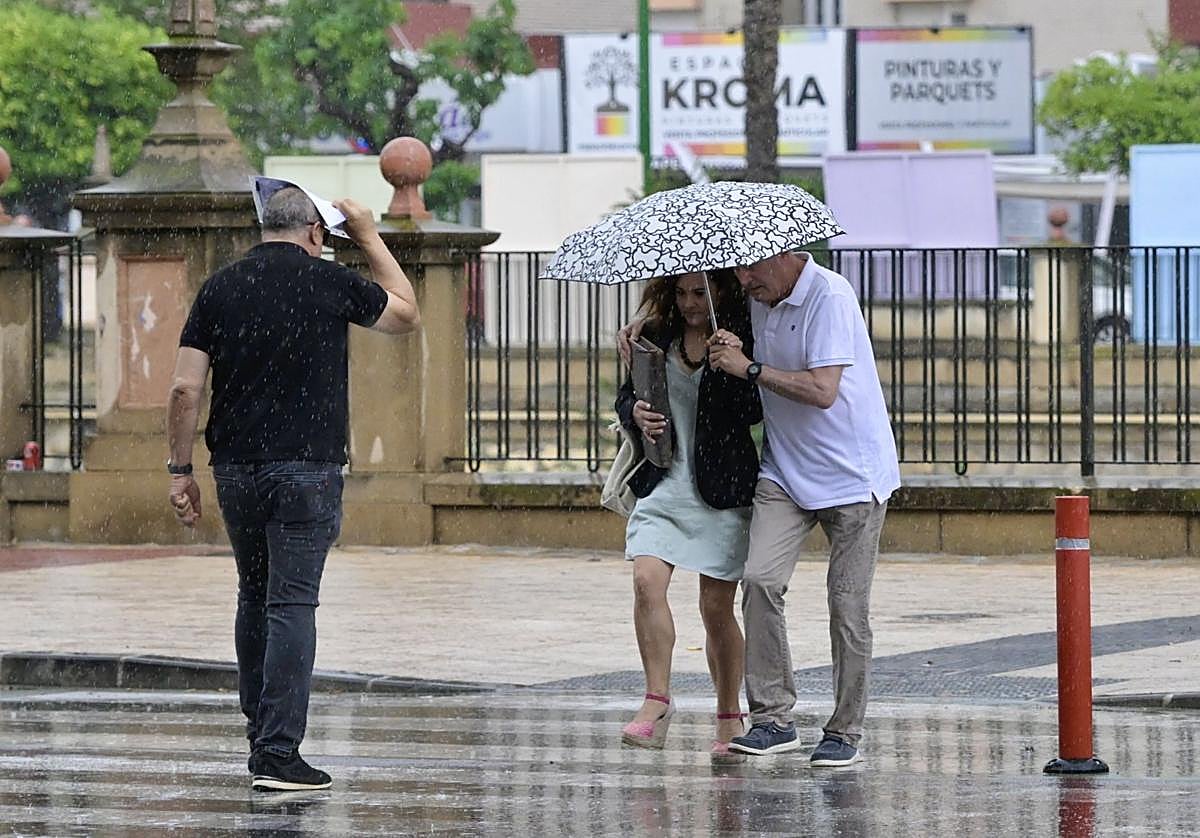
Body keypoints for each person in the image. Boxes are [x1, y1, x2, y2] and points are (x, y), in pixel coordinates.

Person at [165, 188, 420, 791]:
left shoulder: (220, 287)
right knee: (291, 604)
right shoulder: (328, 281)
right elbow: (407, 313)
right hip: (307, 468)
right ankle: (279, 754)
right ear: (314, 232)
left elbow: (183, 389)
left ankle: (261, 735)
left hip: (236, 470)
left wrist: (180, 470)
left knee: (254, 596)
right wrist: (365, 235)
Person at [703, 249, 900, 767]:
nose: (743, 281)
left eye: (753, 267)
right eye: (737, 269)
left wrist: (750, 368)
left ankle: (845, 731)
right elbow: (692, 317)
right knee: (760, 581)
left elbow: (822, 390)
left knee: (847, 606)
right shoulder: (759, 297)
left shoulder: (830, 296)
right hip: (785, 471)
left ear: (789, 255)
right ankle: (772, 718)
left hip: (853, 476)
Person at [615, 270, 762, 761]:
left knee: (716, 608)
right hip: (664, 482)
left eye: (699, 293)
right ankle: (656, 699)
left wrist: (736, 364)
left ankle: (728, 713)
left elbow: (753, 413)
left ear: (720, 291)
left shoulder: (743, 337)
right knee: (646, 580)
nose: (689, 303)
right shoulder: (653, 335)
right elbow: (627, 397)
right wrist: (634, 412)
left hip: (721, 488)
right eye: (679, 293)